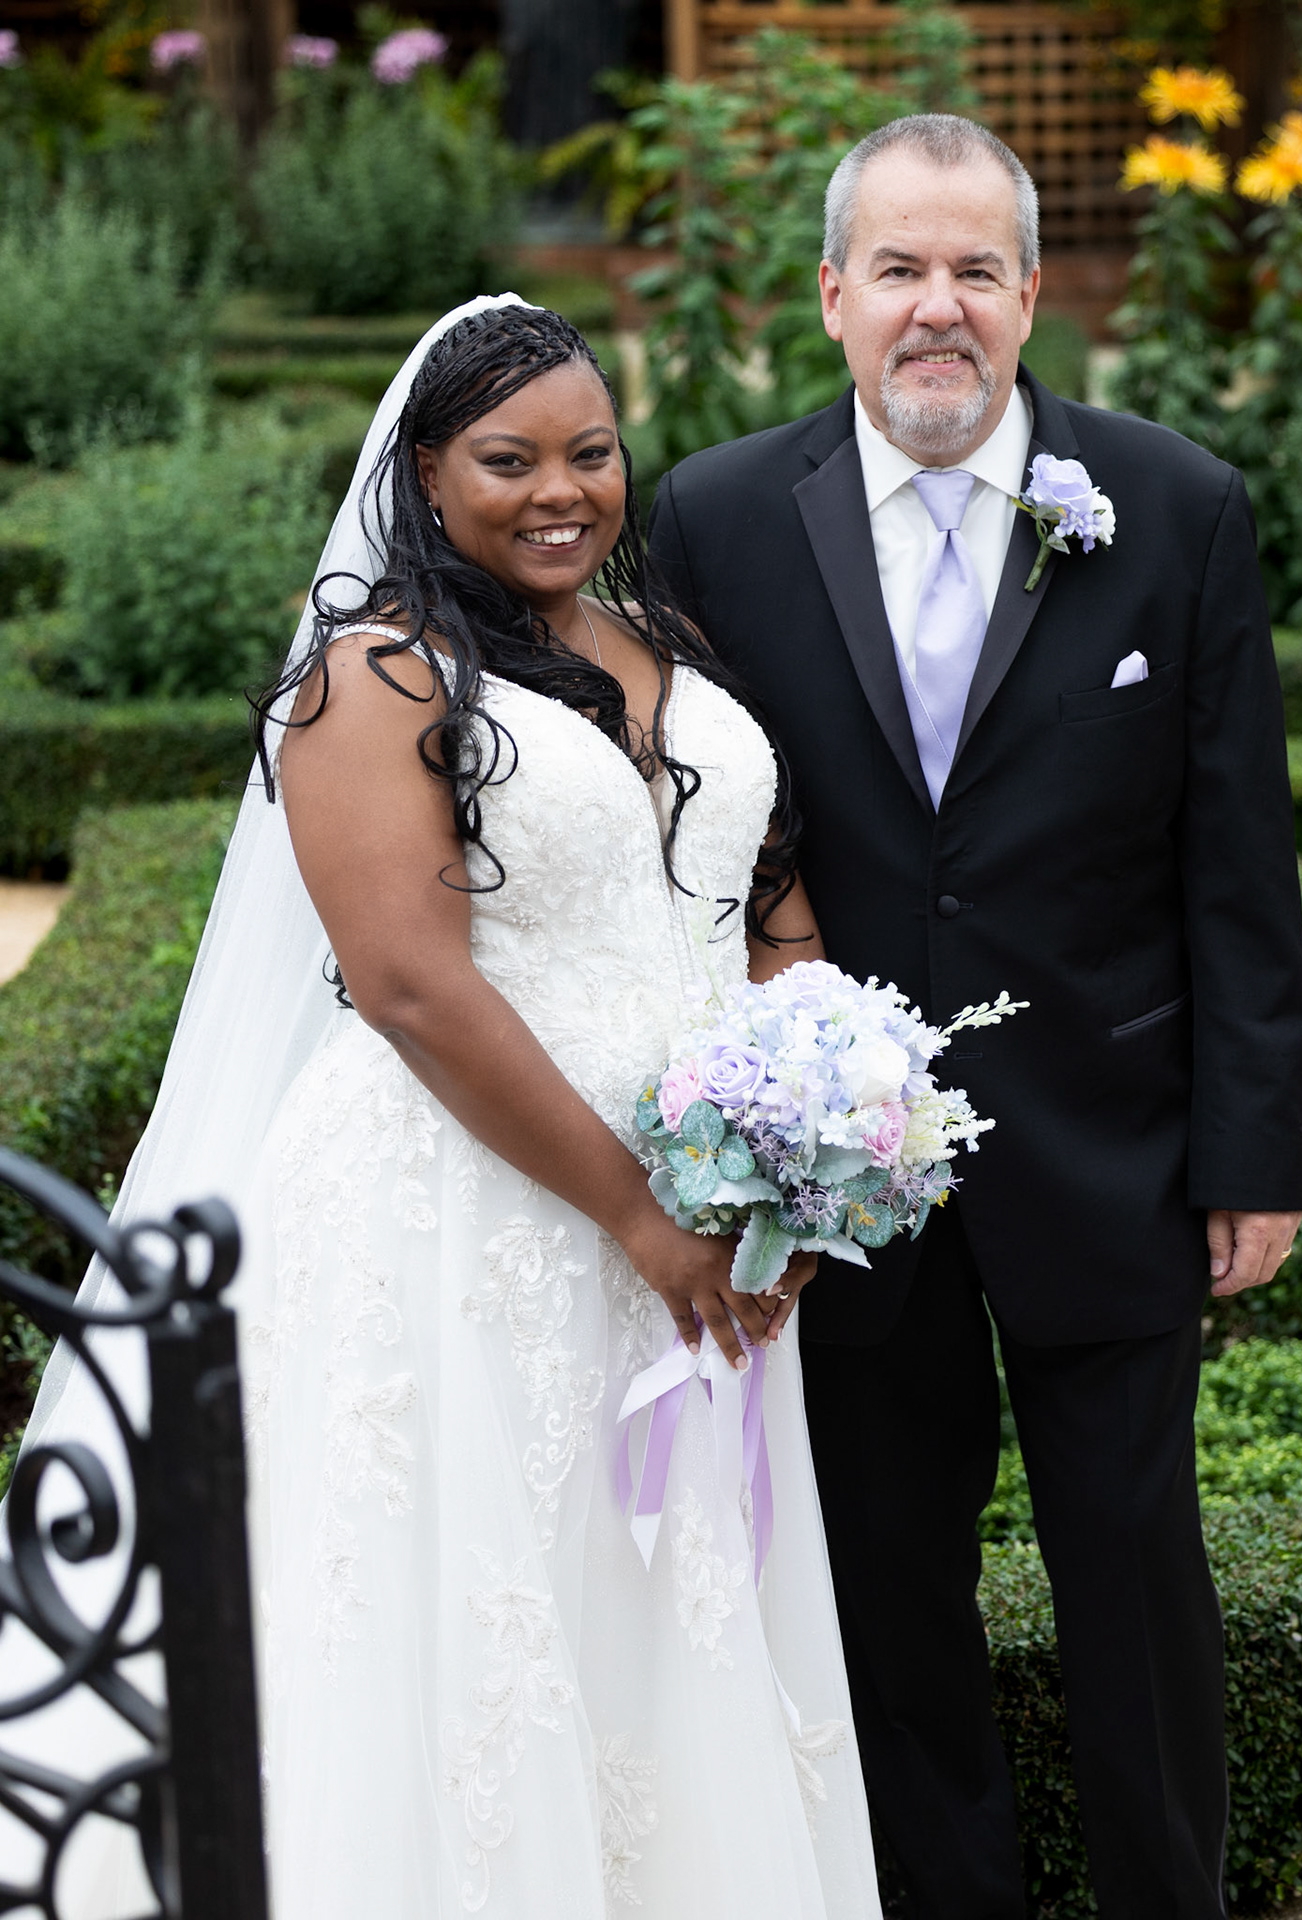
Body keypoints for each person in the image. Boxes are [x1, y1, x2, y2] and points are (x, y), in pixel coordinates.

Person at [7, 298, 883, 1920]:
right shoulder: (373, 678)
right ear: (423, 473)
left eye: (591, 453)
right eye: (507, 460)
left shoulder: (665, 642)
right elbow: (410, 987)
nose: (561, 491)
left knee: (663, 1609)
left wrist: (802, 1154)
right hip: (469, 1219)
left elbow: (774, 916)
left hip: (704, 1225)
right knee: (472, 1610)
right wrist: (638, 1213)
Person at [647, 115, 1302, 1920]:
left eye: (972, 270)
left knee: (1137, 1576)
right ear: (832, 297)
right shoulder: (715, 516)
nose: (935, 307)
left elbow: (1238, 858)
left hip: (1111, 1147)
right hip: (837, 1178)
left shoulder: (1175, 506)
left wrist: (1255, 1152)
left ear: (1030, 294)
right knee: (885, 1587)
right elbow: (686, 846)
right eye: (898, 269)